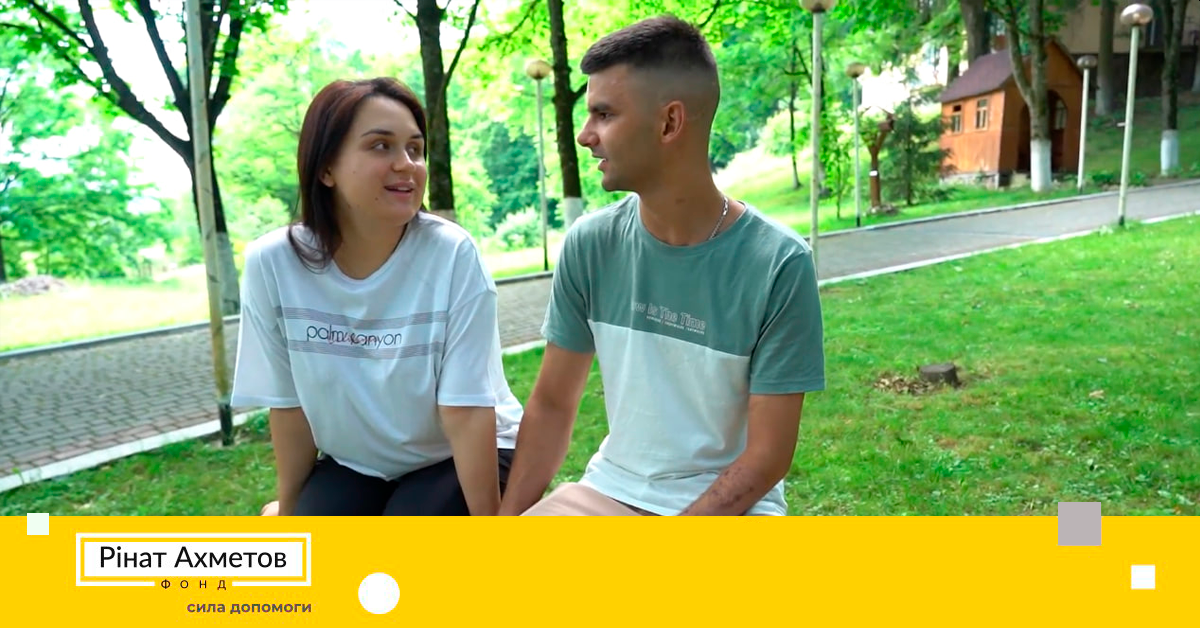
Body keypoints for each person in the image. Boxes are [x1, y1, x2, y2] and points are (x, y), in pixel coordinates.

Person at [496, 17, 825, 517]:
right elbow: (552, 406)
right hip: (610, 491)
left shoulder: (779, 263)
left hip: (733, 511)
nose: (585, 135)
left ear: (670, 123)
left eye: (604, 114)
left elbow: (766, 457)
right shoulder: (590, 243)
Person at [231, 77, 522, 516]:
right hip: (358, 463)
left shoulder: (451, 254)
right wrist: (290, 516)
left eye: (415, 149)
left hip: (459, 452)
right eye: (381, 146)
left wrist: (489, 531)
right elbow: (290, 407)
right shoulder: (273, 263)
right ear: (325, 169)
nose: (406, 164)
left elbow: (465, 411)